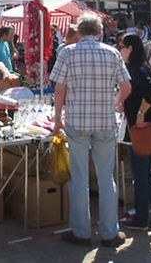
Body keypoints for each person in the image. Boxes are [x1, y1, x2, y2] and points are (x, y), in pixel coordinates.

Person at [50, 14, 132, 249]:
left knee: (79, 178)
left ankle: (81, 232)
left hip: (77, 121)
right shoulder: (112, 53)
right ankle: (109, 233)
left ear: (79, 32)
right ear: (98, 32)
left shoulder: (67, 52)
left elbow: (59, 89)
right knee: (107, 178)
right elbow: (127, 87)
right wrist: (116, 102)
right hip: (105, 122)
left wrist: (57, 119)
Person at [117, 33, 151, 232]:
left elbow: (150, 91)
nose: (120, 49)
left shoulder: (136, 68)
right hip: (137, 127)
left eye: (122, 46)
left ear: (130, 48)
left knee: (140, 174)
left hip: (140, 129)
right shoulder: (138, 67)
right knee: (144, 173)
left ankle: (141, 218)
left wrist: (140, 113)